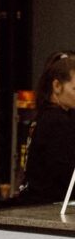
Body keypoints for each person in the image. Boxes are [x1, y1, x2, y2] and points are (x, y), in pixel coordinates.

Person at [22, 50, 75, 202]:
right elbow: (65, 173)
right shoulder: (57, 121)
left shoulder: (43, 116)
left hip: (37, 201)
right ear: (57, 86)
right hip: (48, 204)